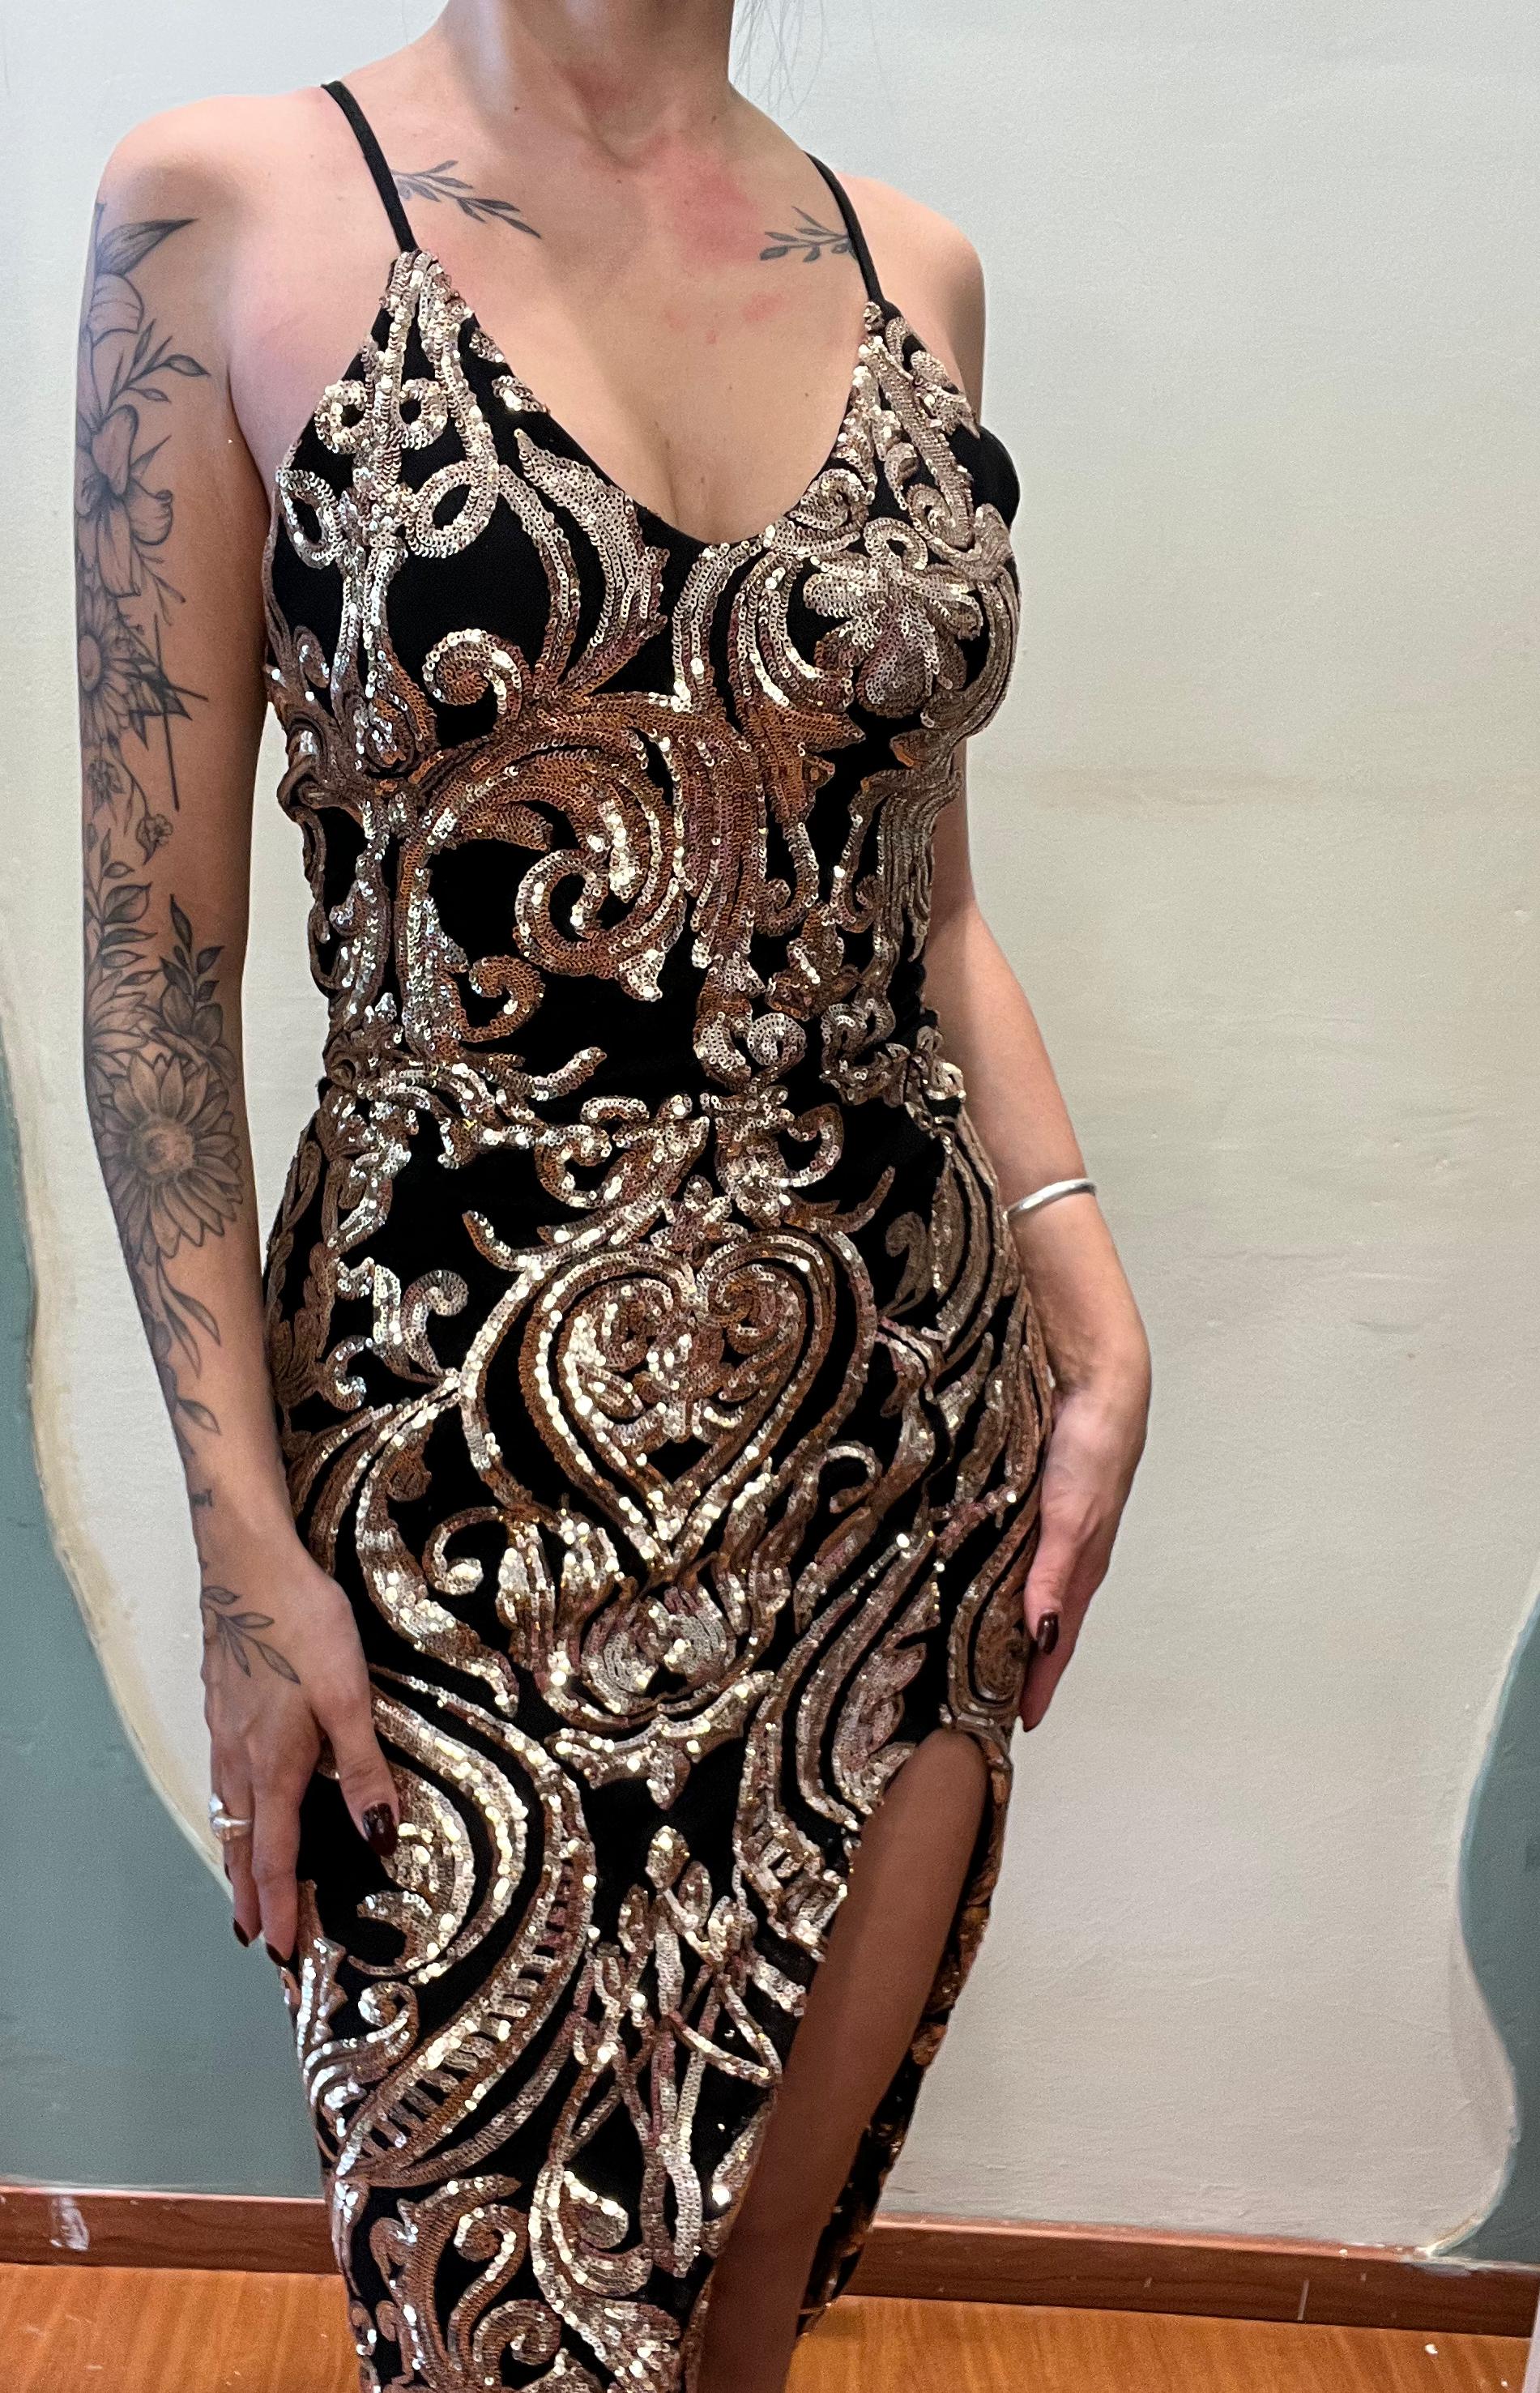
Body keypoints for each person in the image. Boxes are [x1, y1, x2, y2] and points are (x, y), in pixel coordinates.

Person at [75, 6, 1150, 2387]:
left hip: (898, 1440)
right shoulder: (224, 210)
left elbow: (925, 897)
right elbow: (154, 962)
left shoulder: (915, 273)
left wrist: (1094, 1309)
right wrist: (240, 1555)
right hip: (452, 1476)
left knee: (743, 2324)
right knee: (498, 2336)